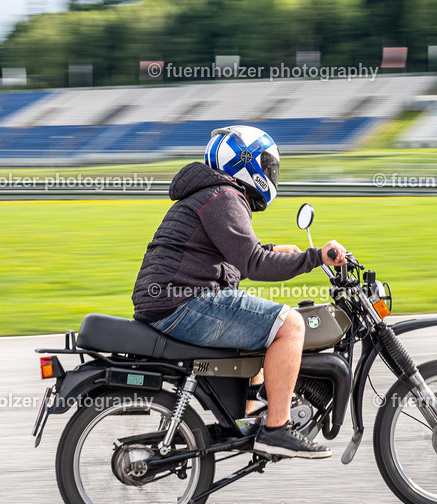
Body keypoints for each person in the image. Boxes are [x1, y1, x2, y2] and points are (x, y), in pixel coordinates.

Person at [131, 125, 348, 458]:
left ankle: (250, 420)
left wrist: (275, 250)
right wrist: (315, 257)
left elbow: (229, 266)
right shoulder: (222, 196)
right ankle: (276, 429)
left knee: (261, 329)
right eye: (267, 164)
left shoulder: (212, 193)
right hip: (183, 303)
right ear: (247, 164)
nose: (271, 172)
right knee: (289, 325)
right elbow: (253, 264)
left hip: (171, 300)